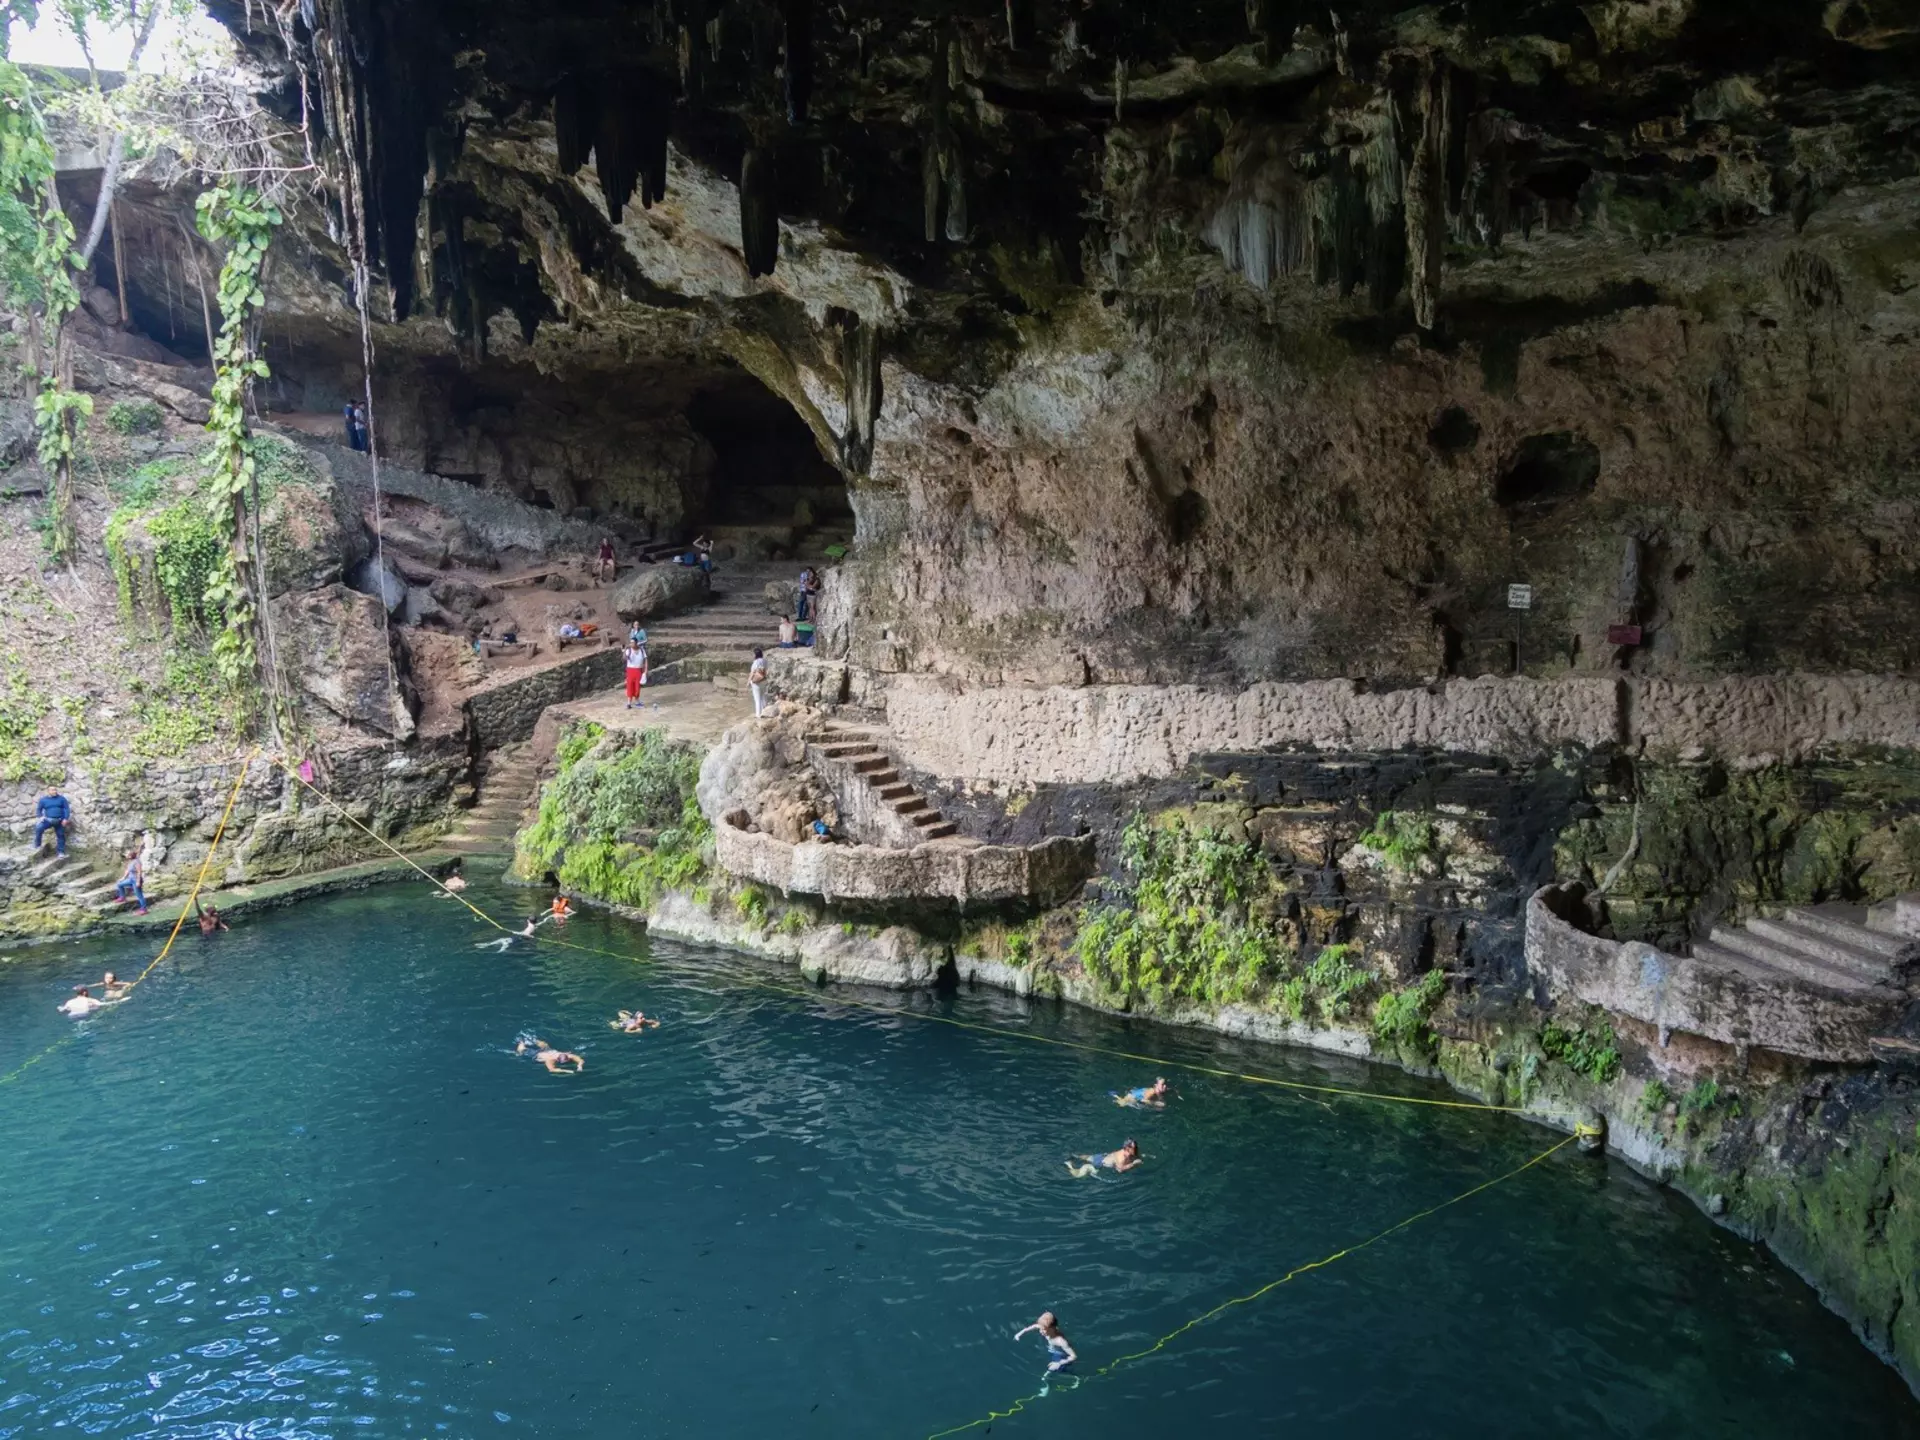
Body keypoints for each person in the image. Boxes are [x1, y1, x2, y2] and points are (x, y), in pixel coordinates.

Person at [1066, 1138, 1142, 1178]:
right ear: (1127, 1148)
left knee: (1088, 1157)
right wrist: (1133, 1164)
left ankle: (1075, 1157)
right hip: (1100, 1164)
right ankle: (1069, 1165)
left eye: (1135, 1147)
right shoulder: (1122, 1157)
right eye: (1133, 1147)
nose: (1136, 1148)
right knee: (1080, 1175)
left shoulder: (1128, 1151)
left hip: (1102, 1156)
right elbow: (1120, 1169)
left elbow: (1136, 1155)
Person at [33, 785, 71, 857]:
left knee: (61, 835)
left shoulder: (62, 799)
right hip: (48, 820)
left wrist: (65, 819)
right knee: (39, 827)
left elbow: (67, 809)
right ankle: (37, 845)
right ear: (48, 791)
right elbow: (39, 809)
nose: (54, 791)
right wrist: (40, 816)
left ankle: (61, 852)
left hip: (60, 820)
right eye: (52, 790)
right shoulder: (43, 800)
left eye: (55, 789)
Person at [516, 1036, 584, 1073]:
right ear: (557, 1059)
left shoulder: (569, 1056)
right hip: (537, 1054)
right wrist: (567, 1071)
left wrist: (580, 1066)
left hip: (549, 1051)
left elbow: (580, 1060)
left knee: (545, 1045)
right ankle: (521, 1041)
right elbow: (551, 1069)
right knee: (522, 1051)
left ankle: (532, 1039)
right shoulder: (550, 1060)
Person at [112, 849, 148, 916]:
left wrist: (138, 882)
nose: (126, 855)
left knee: (139, 895)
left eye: (128, 855)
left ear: (131, 856)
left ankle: (144, 909)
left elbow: (139, 872)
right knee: (119, 884)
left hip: (135, 880)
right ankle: (122, 897)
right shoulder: (130, 861)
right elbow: (127, 870)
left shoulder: (137, 862)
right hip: (130, 879)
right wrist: (123, 878)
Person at [624, 636, 649, 707]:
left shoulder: (641, 650)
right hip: (630, 670)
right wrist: (624, 651)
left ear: (636, 643)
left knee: (637, 686)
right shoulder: (629, 650)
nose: (631, 644)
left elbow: (646, 659)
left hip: (638, 670)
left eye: (633, 642)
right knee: (630, 685)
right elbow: (624, 658)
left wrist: (646, 669)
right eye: (631, 642)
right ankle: (629, 702)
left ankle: (637, 701)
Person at [749, 647, 769, 718]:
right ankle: (765, 711)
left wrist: (749, 681)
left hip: (757, 682)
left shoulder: (756, 662)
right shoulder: (765, 661)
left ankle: (758, 714)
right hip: (764, 680)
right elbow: (766, 670)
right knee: (763, 697)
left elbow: (752, 672)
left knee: (757, 699)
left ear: (756, 654)